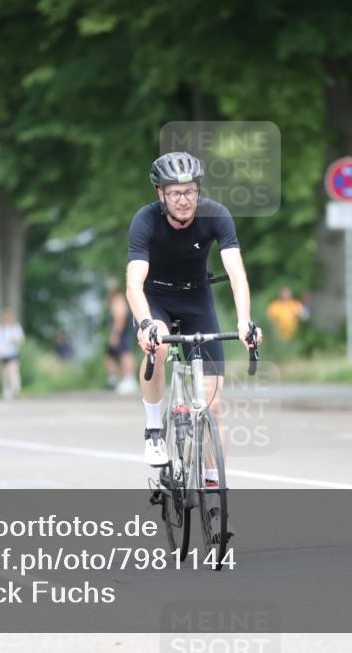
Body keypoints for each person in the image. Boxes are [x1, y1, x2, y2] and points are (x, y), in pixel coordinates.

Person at [126, 151, 263, 484]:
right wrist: (145, 325)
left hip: (196, 300)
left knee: (213, 405)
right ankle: (155, 428)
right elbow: (133, 284)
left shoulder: (216, 215)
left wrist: (245, 321)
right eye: (175, 192)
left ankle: (213, 486)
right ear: (161, 194)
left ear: (199, 190)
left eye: (189, 191)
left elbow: (236, 273)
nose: (183, 200)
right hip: (155, 298)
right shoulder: (145, 220)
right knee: (157, 348)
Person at [105, 285, 137, 394]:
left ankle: (129, 380)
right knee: (112, 356)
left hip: (121, 333)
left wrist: (116, 334)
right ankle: (118, 380)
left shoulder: (118, 300)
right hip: (120, 333)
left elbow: (120, 317)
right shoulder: (116, 300)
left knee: (125, 355)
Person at [0, 308, 25, 400]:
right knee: (5, 373)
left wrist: (15, 340)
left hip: (13, 352)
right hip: (3, 353)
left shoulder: (15, 327)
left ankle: (15, 389)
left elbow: (20, 339)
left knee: (13, 371)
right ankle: (5, 391)